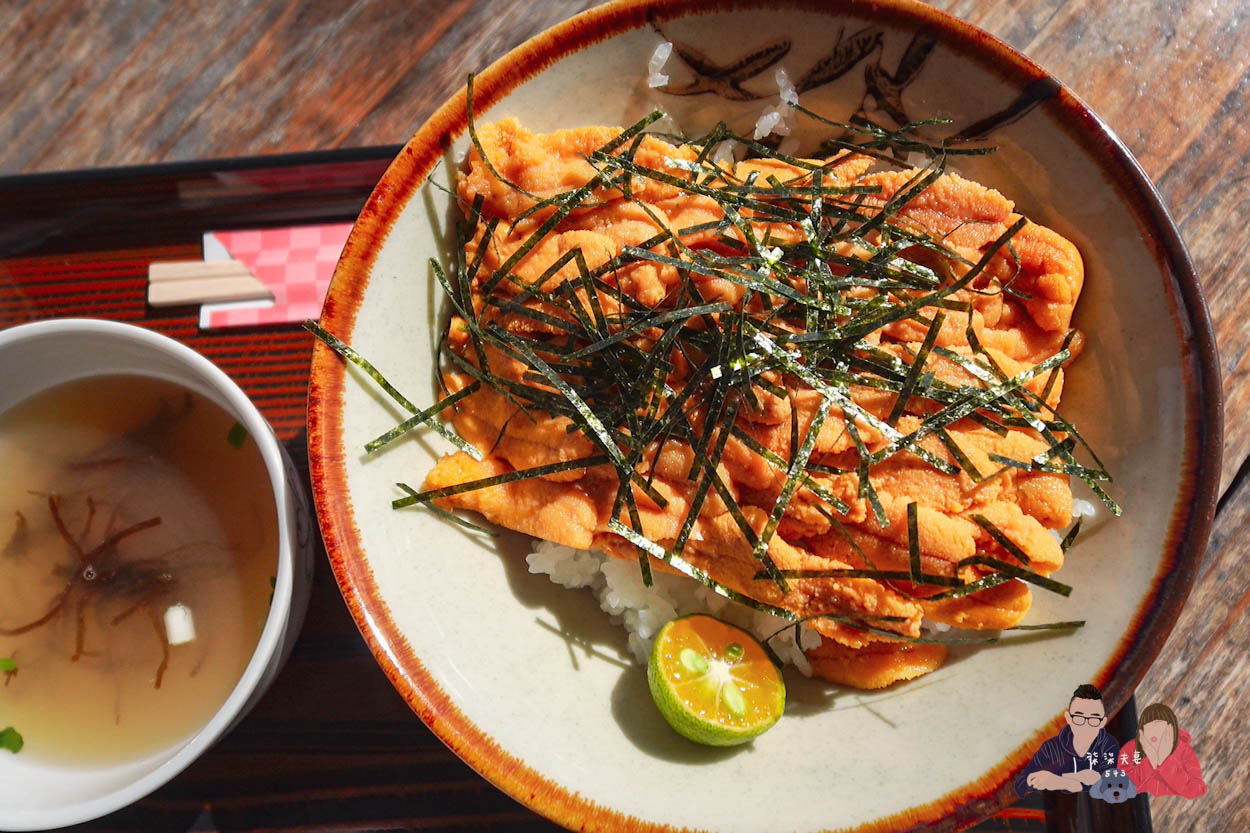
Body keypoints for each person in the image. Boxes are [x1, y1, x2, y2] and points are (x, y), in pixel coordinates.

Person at [1015, 684, 1120, 795]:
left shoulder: (1108, 746)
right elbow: (1020, 786)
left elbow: (1112, 785)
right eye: (1079, 718)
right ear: (1069, 718)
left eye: (1093, 719)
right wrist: (1034, 779)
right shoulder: (1051, 748)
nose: (1085, 725)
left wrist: (1062, 781)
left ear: (1102, 722)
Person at [1119, 703, 1206, 798]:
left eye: (1158, 725)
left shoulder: (1183, 751)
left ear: (1170, 729)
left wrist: (1165, 760)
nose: (1153, 731)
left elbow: (1195, 790)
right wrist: (1150, 761)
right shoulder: (1131, 748)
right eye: (1148, 726)